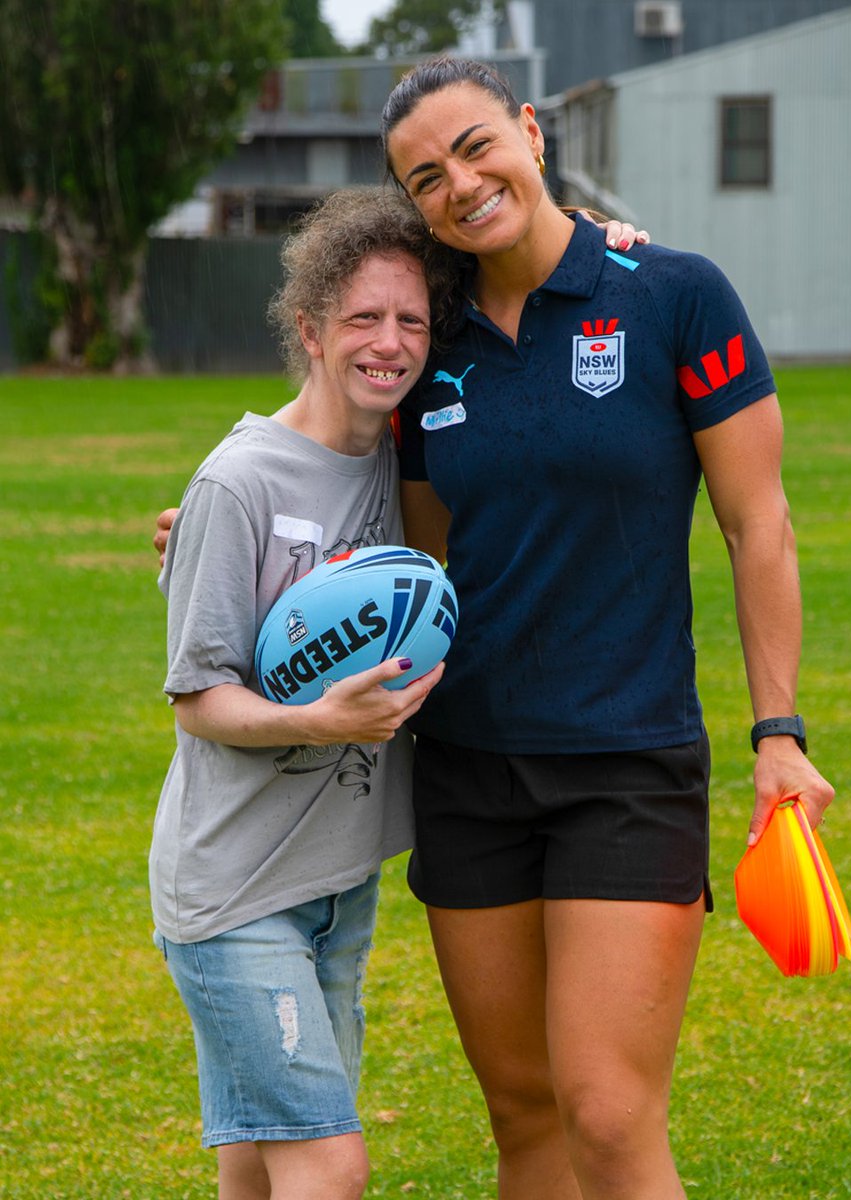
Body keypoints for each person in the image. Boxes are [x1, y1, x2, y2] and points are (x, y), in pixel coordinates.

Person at [374, 56, 835, 1200]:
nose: (461, 184)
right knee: (525, 1115)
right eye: (425, 178)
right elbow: (407, 546)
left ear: (530, 132)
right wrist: (233, 510)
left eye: (477, 146)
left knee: (609, 1113)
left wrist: (779, 731)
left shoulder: (675, 295)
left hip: (626, 764)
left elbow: (757, 524)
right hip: (469, 767)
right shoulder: (430, 343)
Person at [149, 188, 456, 1200]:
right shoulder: (237, 484)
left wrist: (604, 236)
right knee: (330, 1163)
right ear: (311, 329)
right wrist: (320, 722)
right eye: (365, 318)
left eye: (411, 320)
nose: (391, 342)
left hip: (337, 885)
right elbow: (197, 699)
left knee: (259, 1162)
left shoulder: (398, 462)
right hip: (235, 891)